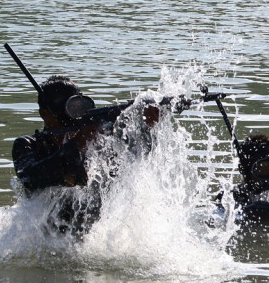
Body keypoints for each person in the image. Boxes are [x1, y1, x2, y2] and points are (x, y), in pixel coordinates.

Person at [11, 75, 163, 236]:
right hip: (48, 237)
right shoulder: (28, 145)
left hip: (94, 237)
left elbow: (136, 157)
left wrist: (147, 127)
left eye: (79, 108)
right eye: (70, 108)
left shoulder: (99, 141)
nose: (75, 115)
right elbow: (29, 177)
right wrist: (77, 143)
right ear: (45, 114)